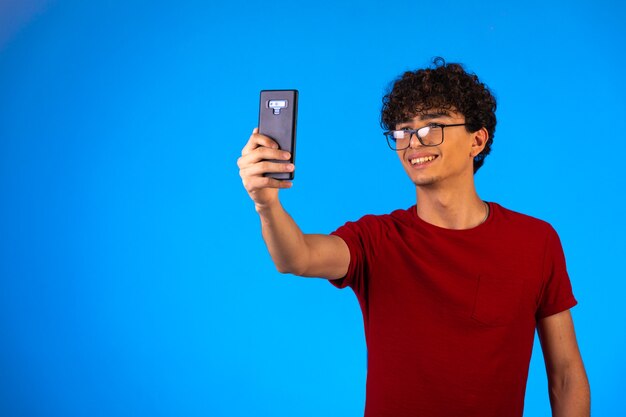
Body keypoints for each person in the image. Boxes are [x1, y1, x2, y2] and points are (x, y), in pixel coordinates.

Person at [237, 58, 590, 417]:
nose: (413, 142)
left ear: (477, 140)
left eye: (432, 125)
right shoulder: (376, 239)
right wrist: (267, 204)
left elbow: (565, 375)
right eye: (403, 130)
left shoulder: (535, 241)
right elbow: (296, 257)